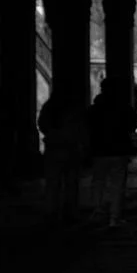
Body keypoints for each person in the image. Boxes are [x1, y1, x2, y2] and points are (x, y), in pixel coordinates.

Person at [88, 76, 137, 227]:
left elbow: (87, 125)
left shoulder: (95, 108)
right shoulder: (123, 107)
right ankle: (114, 217)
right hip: (119, 149)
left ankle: (98, 211)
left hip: (99, 149)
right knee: (117, 185)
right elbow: (133, 124)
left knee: (98, 181)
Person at [38, 87, 89, 224]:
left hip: (53, 147)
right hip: (71, 148)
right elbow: (82, 129)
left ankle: (51, 212)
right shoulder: (75, 109)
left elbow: (42, 124)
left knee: (52, 183)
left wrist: (53, 134)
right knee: (71, 183)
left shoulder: (49, 107)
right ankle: (70, 212)